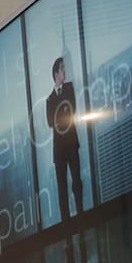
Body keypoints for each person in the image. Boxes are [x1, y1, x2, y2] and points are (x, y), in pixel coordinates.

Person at [47, 57, 87, 219]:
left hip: (71, 143)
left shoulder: (69, 88)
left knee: (76, 181)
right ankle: (66, 224)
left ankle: (81, 215)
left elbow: (72, 109)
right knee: (62, 188)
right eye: (62, 68)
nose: (65, 71)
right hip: (59, 150)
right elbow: (51, 122)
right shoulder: (49, 99)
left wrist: (60, 114)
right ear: (56, 73)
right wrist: (62, 112)